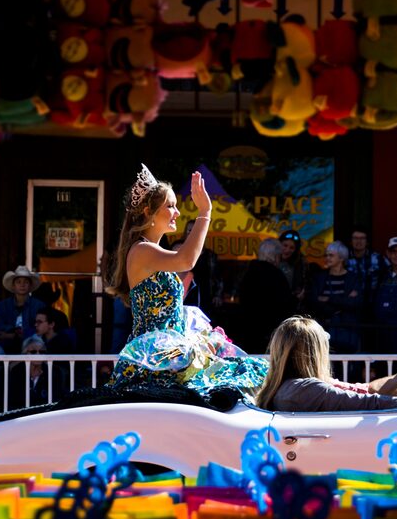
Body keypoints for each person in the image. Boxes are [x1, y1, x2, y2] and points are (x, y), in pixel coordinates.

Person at [106, 163, 267, 392]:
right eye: (171, 206)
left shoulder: (150, 251)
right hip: (154, 359)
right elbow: (186, 260)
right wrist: (204, 213)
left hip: (169, 354)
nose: (178, 213)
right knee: (239, 378)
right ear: (148, 212)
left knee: (247, 371)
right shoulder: (141, 250)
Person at [253, 316, 397, 411]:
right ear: (313, 353)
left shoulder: (293, 387)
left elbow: (365, 390)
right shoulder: (306, 390)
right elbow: (369, 403)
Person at [233, 238, 295, 353]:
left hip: (247, 330)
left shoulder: (248, 272)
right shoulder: (276, 275)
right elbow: (285, 305)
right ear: (276, 256)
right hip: (270, 333)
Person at [308, 241, 362, 353]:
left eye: (331, 255)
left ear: (342, 258)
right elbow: (314, 301)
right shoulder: (320, 277)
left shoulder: (353, 278)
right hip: (324, 328)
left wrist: (328, 299)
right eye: (326, 255)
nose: (327, 258)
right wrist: (343, 301)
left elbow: (355, 303)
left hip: (347, 330)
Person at [0, 266, 46, 353]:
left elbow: (42, 329)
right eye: (18, 282)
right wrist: (13, 331)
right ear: (13, 286)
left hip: (32, 349)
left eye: (26, 282)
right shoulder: (2, 306)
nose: (22, 285)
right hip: (6, 350)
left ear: (30, 286)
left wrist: (13, 335)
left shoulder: (39, 305)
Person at [278, 229, 312, 307]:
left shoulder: (302, 264)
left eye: (292, 248)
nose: (287, 250)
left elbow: (306, 285)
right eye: (285, 245)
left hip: (292, 306)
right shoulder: (271, 261)